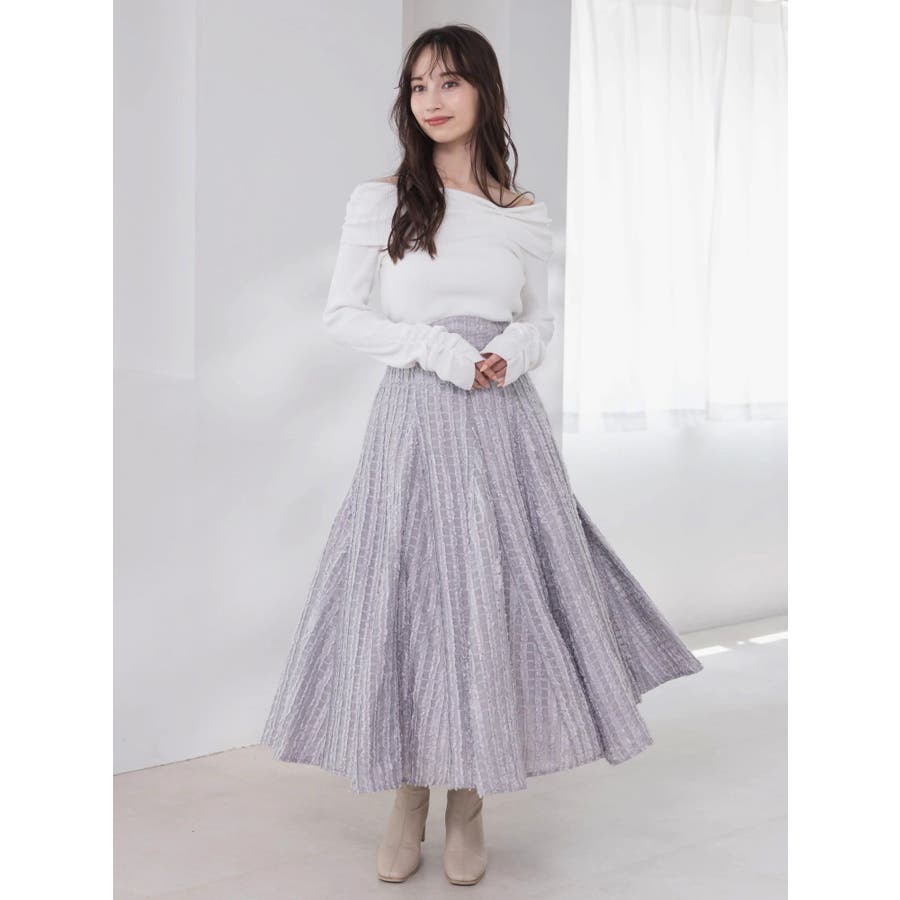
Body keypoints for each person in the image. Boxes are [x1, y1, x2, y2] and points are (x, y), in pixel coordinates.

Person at [260, 24, 703, 887]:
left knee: (489, 597)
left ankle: (468, 801)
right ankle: (408, 797)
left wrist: (514, 350)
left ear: (484, 92)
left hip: (502, 418)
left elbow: (539, 316)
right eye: (418, 84)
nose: (432, 99)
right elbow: (344, 314)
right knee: (413, 595)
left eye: (450, 82)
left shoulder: (521, 211)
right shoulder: (381, 200)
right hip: (417, 414)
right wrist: (437, 349)